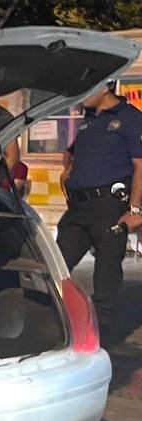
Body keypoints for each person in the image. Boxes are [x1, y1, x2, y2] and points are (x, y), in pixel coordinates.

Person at [58, 82, 142, 329]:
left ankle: (101, 334)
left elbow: (141, 166)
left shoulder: (130, 118)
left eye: (86, 90)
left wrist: (135, 210)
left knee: (106, 275)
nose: (81, 97)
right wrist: (71, 168)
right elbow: (74, 152)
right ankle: (51, 320)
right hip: (78, 208)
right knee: (54, 265)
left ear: (106, 87)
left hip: (110, 207)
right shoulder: (89, 120)